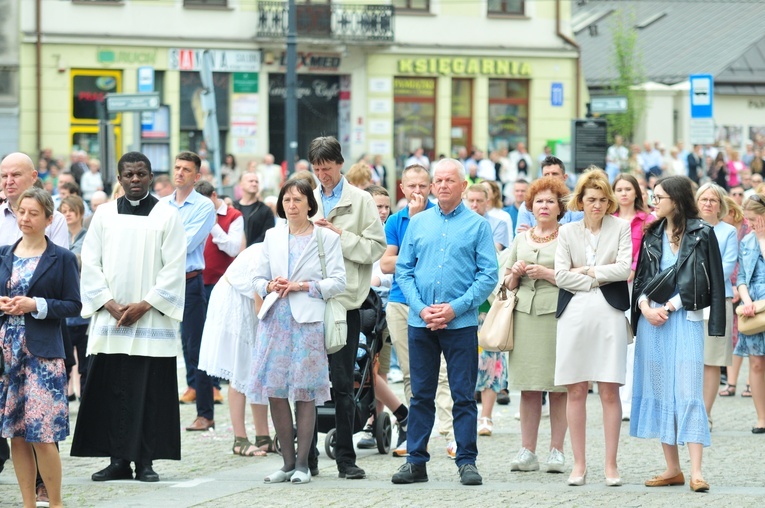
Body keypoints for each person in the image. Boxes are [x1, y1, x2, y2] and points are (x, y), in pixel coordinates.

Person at [71, 151, 187, 483]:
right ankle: (118, 459)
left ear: (151, 177)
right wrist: (106, 302)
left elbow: (174, 267)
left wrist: (146, 304)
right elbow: (90, 262)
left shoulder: (167, 216)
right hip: (112, 320)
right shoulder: (103, 215)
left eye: (141, 174)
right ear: (119, 179)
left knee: (150, 391)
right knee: (114, 390)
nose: (135, 179)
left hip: (150, 320)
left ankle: (146, 461)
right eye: (128, 175)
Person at [391, 158, 497, 486]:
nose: (443, 186)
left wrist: (455, 308)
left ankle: (466, 460)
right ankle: (416, 461)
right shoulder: (418, 223)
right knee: (421, 394)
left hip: (460, 323)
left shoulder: (478, 226)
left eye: (450, 180)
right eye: (438, 180)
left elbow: (489, 274)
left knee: (463, 394)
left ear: (463, 186)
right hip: (420, 322)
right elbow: (404, 269)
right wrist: (422, 308)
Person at [630, 175, 725, 493]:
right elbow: (642, 278)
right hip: (652, 322)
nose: (653, 203)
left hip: (684, 320)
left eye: (659, 197)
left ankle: (696, 471)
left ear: (676, 199)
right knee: (660, 391)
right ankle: (673, 468)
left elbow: (705, 281)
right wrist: (644, 307)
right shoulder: (652, 233)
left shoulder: (702, 233)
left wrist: (667, 307)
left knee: (688, 391)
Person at [250, 179, 346, 484]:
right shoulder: (272, 236)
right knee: (275, 391)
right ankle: (287, 463)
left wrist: (304, 286)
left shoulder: (325, 238)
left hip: (307, 320)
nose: (291, 205)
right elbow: (256, 277)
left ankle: (304, 464)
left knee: (305, 392)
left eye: (297, 200)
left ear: (309, 204)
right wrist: (268, 286)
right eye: (287, 200)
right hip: (275, 319)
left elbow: (338, 282)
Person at [310, 136, 386, 480]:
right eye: (316, 169)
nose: (322, 175)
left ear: (340, 164)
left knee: (342, 382)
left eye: (327, 168)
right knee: (307, 383)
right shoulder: (306, 196)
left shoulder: (361, 200)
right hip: (308, 300)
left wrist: (337, 234)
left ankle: (346, 457)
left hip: (346, 302)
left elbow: (375, 249)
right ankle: (304, 456)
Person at [0, 188, 81, 508]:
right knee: (16, 434)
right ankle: (27, 503)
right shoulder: (4, 254)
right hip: (9, 352)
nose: (25, 219)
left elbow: (73, 304)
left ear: (49, 219)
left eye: (33, 213)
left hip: (44, 354)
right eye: (21, 212)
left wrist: (37, 304)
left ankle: (56, 502)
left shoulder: (62, 257)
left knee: (43, 434)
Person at [554, 169, 632, 487]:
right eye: (590, 200)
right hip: (574, 314)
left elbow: (625, 268)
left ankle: (610, 465)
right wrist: (601, 273)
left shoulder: (621, 227)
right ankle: (579, 464)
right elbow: (560, 276)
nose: (596, 205)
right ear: (581, 201)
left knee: (609, 389)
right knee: (576, 388)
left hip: (610, 314)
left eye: (602, 200)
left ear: (608, 201)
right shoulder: (567, 232)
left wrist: (585, 271)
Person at [379, 164, 456, 458]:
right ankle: (415, 435)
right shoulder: (397, 221)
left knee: (445, 373)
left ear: (432, 187)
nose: (418, 192)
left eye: (423, 186)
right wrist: (413, 222)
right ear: (402, 188)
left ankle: (450, 433)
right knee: (412, 373)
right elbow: (386, 264)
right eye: (412, 186)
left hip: (439, 302)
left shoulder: (443, 216)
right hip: (402, 302)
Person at [503, 176, 570, 473]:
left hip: (557, 316)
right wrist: (515, 273)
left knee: (559, 388)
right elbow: (505, 282)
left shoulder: (568, 237)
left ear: (559, 207)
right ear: (530, 206)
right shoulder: (521, 239)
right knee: (528, 387)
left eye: (550, 201)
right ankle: (527, 450)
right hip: (524, 316)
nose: (544, 206)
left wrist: (547, 273)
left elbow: (577, 277)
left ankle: (557, 450)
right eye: (539, 201)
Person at [199, 243, 268, 457]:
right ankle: (240, 439)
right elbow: (260, 307)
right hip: (234, 303)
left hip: (249, 302)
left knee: (259, 370)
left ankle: (263, 437)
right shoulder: (266, 258)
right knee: (240, 369)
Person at [165, 153, 217, 431]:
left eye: (186, 169)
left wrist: (162, 242)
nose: (180, 173)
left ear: (197, 177)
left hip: (189, 280)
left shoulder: (204, 207)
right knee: (161, 345)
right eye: (177, 168)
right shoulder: (161, 205)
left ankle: (205, 413)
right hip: (163, 281)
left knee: (195, 348)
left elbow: (183, 243)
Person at [612, 173, 656, 419]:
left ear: (636, 193)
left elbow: (649, 251)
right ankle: (616, 398)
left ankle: (630, 399)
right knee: (615, 341)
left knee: (634, 342)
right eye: (619, 189)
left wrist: (632, 268)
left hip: (637, 286)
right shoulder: (608, 219)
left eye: (628, 189)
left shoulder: (648, 220)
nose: (624, 193)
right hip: (611, 284)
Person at [695, 183, 738, 430]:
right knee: (691, 359)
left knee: (711, 360)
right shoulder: (688, 228)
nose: (708, 203)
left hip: (717, 301)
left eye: (713, 200)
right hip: (689, 302)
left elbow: (726, 268)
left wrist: (698, 282)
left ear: (720, 205)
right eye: (704, 199)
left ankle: (705, 414)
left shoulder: (728, 232)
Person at [735, 194, 765, 434]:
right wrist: (746, 301)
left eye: (754, 219)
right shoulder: (746, 241)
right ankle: (761, 417)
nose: (751, 224)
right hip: (754, 306)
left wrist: (763, 238)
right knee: (756, 363)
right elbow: (742, 277)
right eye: (748, 219)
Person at [59, 196, 90, 399]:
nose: (67, 214)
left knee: (86, 365)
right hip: (64, 310)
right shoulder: (57, 236)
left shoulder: (87, 237)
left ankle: (87, 400)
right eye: (64, 210)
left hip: (84, 307)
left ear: (80, 212)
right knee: (66, 362)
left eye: (71, 210)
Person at [719, 197, 750, 398]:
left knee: (750, 335)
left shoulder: (748, 228)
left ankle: (750, 384)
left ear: (731, 212)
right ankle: (731, 383)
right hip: (728, 287)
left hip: (747, 287)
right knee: (732, 338)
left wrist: (741, 286)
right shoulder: (724, 230)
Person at [515, 157, 583, 235]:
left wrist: (533, 232)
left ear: (565, 177)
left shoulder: (575, 205)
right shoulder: (527, 205)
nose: (550, 178)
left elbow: (575, 236)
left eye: (554, 174)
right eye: (546, 174)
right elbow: (521, 236)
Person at [233, 172, 275, 247]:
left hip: (255, 253)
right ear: (241, 184)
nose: (254, 184)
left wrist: (249, 249)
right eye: (251, 181)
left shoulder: (265, 210)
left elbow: (267, 234)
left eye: (256, 182)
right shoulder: (233, 207)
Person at [466, 185, 509, 252]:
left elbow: (493, 252)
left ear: (487, 203)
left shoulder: (499, 224)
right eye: (471, 200)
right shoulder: (458, 223)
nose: (474, 205)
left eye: (479, 201)